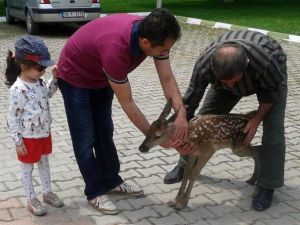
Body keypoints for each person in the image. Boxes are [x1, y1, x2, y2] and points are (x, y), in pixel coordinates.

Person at [56, 8, 188, 215]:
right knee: (85, 138)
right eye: (163, 49)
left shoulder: (156, 38)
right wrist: (155, 137)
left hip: (101, 76)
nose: (165, 52)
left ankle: (111, 181)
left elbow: (168, 79)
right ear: (145, 43)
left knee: (105, 131)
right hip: (75, 77)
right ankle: (95, 191)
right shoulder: (115, 49)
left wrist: (181, 114)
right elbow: (128, 103)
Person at [164, 30, 287, 211]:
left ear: (246, 64)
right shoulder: (205, 64)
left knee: (273, 132)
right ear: (214, 69)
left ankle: (268, 184)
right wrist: (179, 132)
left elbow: (270, 97)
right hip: (225, 80)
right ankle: (184, 165)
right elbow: (189, 103)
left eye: (233, 81)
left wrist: (256, 120)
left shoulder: (266, 61)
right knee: (203, 120)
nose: (231, 85)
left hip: (269, 84)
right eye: (225, 81)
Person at [5, 35, 64, 216]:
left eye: (45, 67)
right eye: (40, 68)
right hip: (28, 138)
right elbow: (12, 118)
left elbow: (48, 94)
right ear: (24, 67)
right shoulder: (17, 89)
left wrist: (54, 80)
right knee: (27, 168)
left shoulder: (38, 82)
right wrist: (17, 141)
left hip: (44, 133)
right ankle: (31, 198)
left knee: (44, 163)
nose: (43, 71)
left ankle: (47, 192)